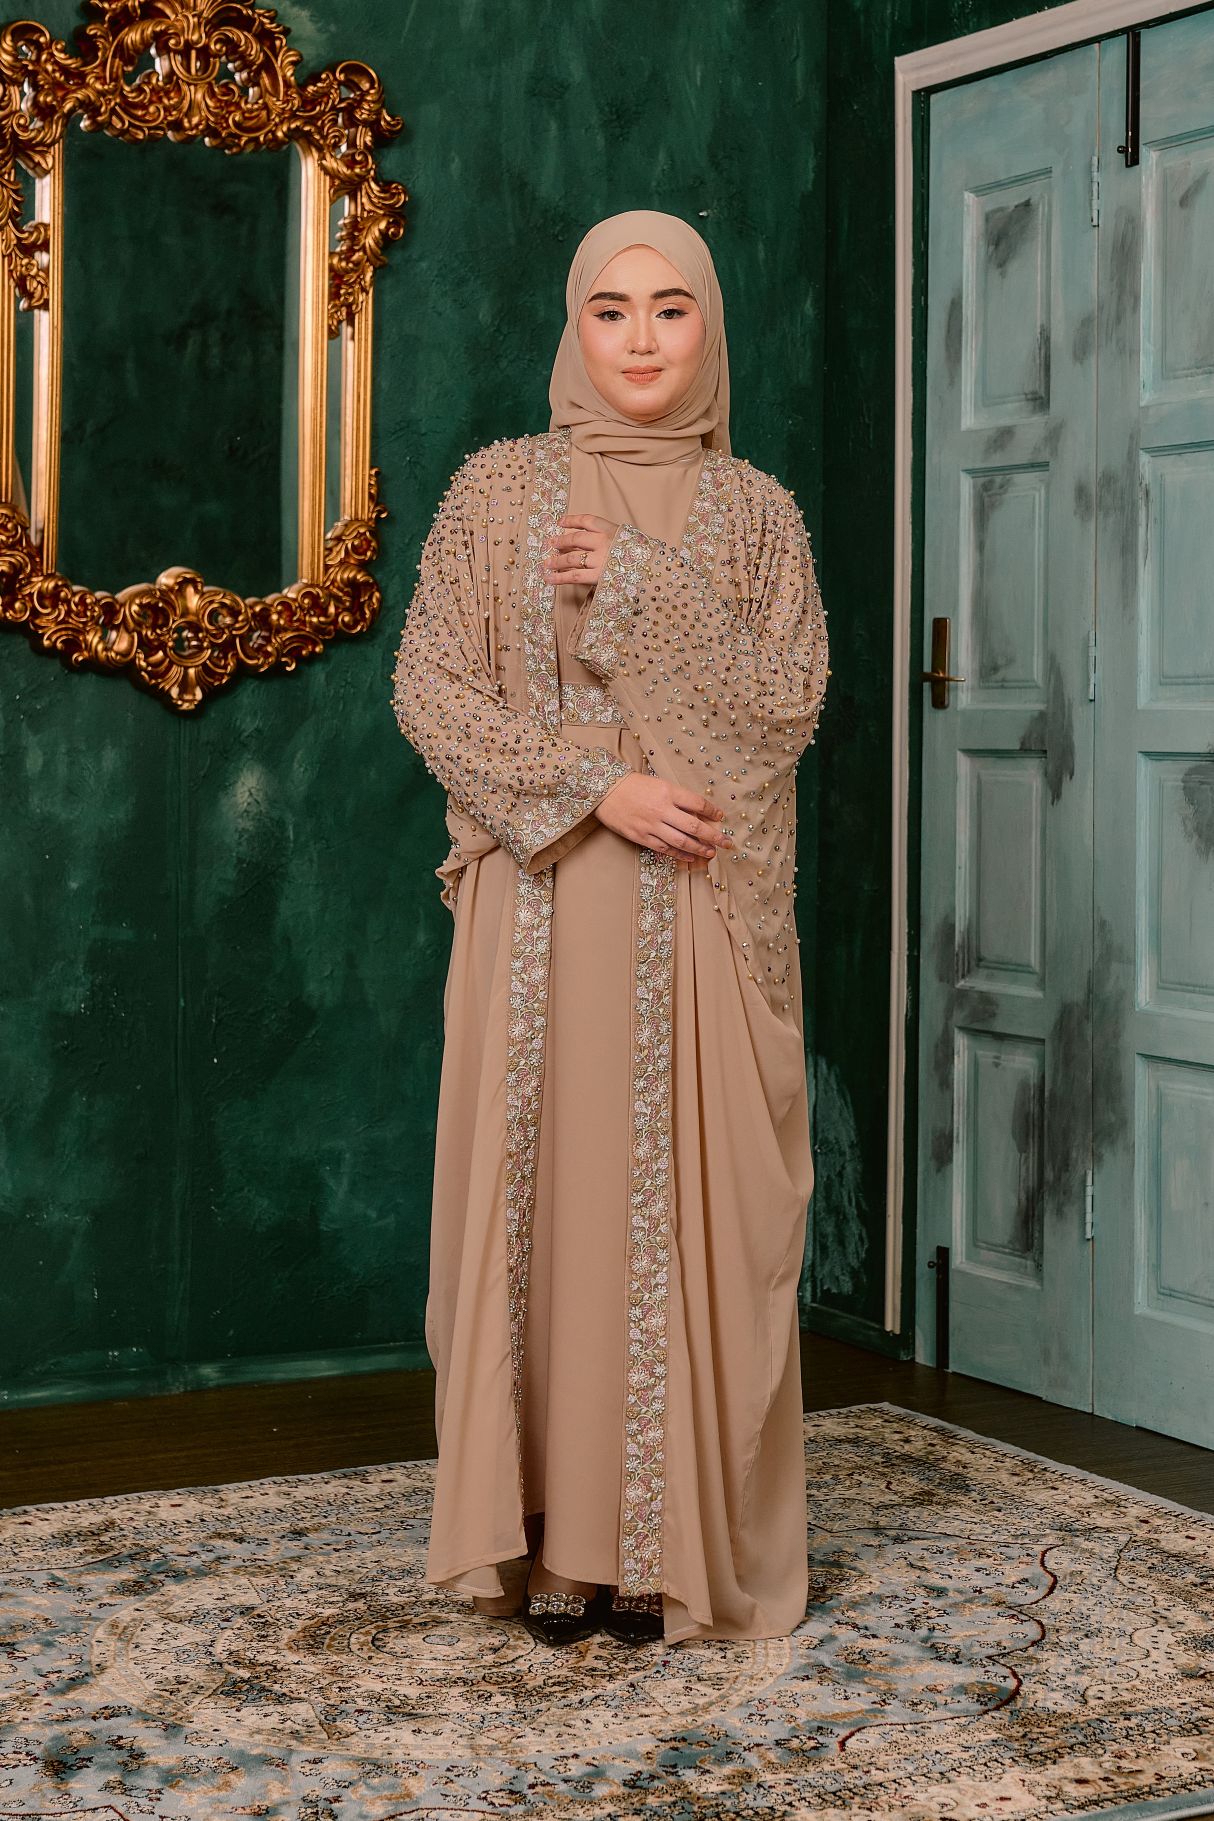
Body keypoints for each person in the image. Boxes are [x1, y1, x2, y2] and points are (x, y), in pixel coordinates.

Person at [391, 209, 830, 1648]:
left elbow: (780, 712)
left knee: (679, 1218)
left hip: (698, 916)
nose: (641, 341)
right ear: (573, 327)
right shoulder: (498, 493)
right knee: (550, 1215)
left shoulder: (755, 515)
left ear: (709, 328)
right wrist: (599, 789)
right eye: (611, 310)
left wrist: (636, 588)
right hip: (542, 909)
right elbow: (431, 690)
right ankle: (555, 1550)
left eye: (671, 310)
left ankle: (661, 1548)